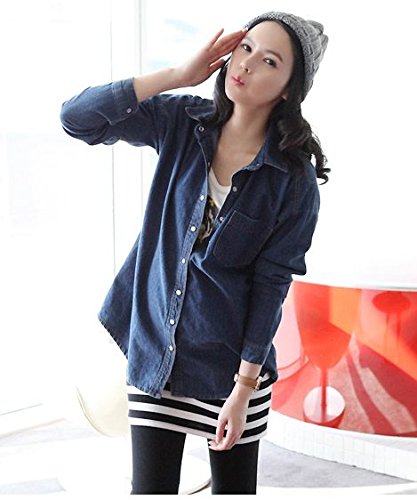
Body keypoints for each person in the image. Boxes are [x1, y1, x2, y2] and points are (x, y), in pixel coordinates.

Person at [61, 10, 329, 495]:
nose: (246, 64)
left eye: (269, 61)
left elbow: (271, 287)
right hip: (157, 355)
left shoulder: (293, 181)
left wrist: (243, 390)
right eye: (245, 48)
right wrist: (176, 75)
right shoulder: (183, 124)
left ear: (290, 90)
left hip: (232, 370)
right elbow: (77, 118)